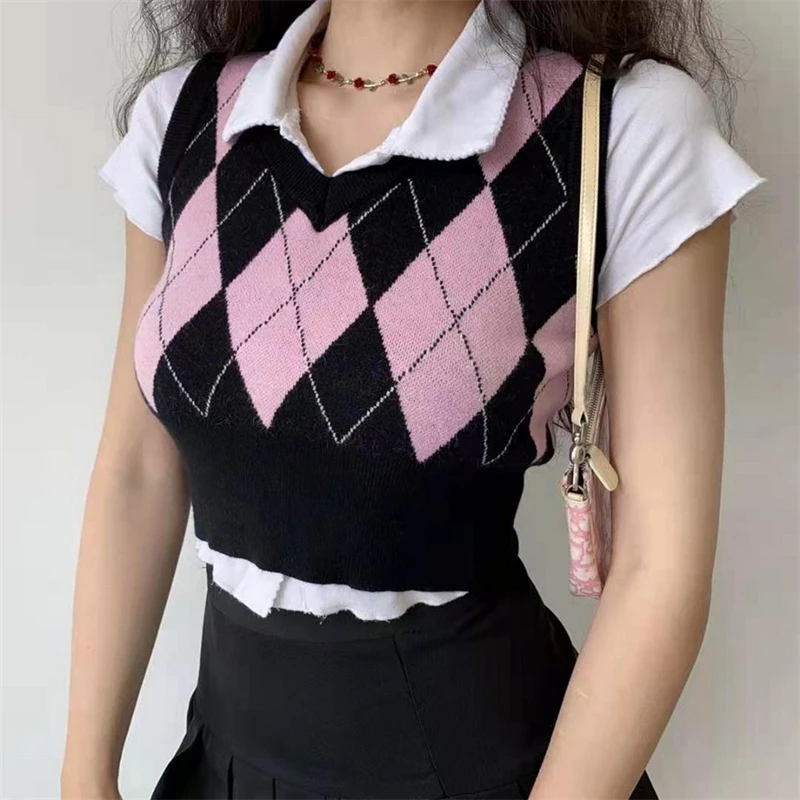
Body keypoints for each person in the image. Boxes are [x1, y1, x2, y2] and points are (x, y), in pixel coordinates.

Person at [62, 0, 764, 797]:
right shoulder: (188, 116)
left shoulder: (617, 128)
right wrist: (84, 775)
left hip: (478, 765)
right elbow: (138, 469)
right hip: (223, 756)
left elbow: (657, 568)